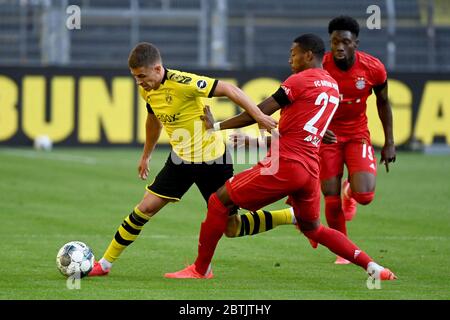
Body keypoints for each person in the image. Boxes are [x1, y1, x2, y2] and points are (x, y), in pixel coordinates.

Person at [164, 34, 397, 281]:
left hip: (285, 166)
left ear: (308, 55)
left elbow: (258, 113)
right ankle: (373, 267)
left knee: (218, 201)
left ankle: (200, 270)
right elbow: (304, 129)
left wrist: (217, 126)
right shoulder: (332, 86)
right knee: (314, 228)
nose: (290, 60)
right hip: (310, 170)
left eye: (293, 54)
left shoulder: (298, 81)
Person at [88, 42, 295, 276]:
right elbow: (153, 120)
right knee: (145, 208)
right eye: (135, 77)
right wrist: (146, 154)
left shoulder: (183, 82)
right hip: (180, 161)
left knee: (232, 227)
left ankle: (289, 216)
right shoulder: (147, 89)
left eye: (142, 76)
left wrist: (259, 116)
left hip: (213, 161)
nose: (139, 82)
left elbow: (230, 89)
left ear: (157, 69)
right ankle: (105, 264)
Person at [320, 16, 396, 264]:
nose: (339, 47)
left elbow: (383, 102)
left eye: (345, 41)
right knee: (329, 195)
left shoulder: (373, 68)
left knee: (365, 196)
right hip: (328, 136)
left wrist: (389, 142)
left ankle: (350, 190)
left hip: (356, 134)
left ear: (356, 43)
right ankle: (344, 251)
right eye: (334, 42)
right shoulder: (319, 67)